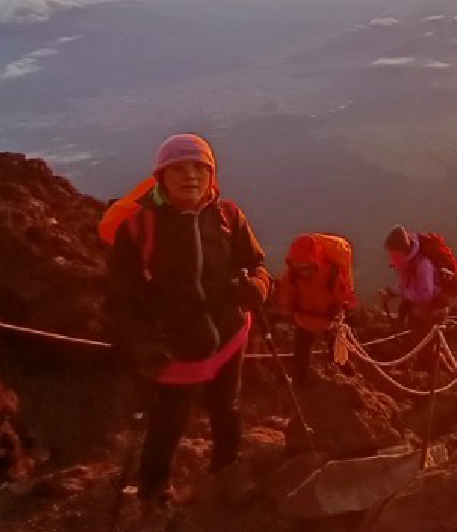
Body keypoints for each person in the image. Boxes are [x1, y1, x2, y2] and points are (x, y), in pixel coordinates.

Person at [102, 133, 271, 507]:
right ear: (161, 177)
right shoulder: (139, 228)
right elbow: (120, 301)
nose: (190, 175)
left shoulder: (229, 217)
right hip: (175, 345)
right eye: (178, 168)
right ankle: (154, 488)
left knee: (227, 408)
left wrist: (258, 287)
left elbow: (256, 264)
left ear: (212, 174)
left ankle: (226, 469)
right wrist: (141, 345)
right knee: (169, 420)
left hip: (229, 334)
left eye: (199, 167)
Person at [274, 233, 356, 388]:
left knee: (338, 351)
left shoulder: (332, 273)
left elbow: (344, 297)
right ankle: (301, 384)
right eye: (300, 269)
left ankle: (348, 379)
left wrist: (342, 312)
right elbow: (286, 297)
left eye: (307, 268)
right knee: (301, 353)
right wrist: (290, 314)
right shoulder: (292, 276)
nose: (304, 272)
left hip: (326, 320)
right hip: (309, 319)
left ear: (316, 262)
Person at [380, 225, 457, 368]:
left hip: (432, 313)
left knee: (427, 349)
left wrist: (401, 293)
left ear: (400, 250)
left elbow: (425, 295)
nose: (391, 257)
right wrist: (392, 291)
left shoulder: (423, 264)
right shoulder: (409, 261)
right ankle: (435, 368)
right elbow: (406, 284)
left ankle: (443, 373)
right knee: (422, 347)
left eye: (392, 253)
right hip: (420, 312)